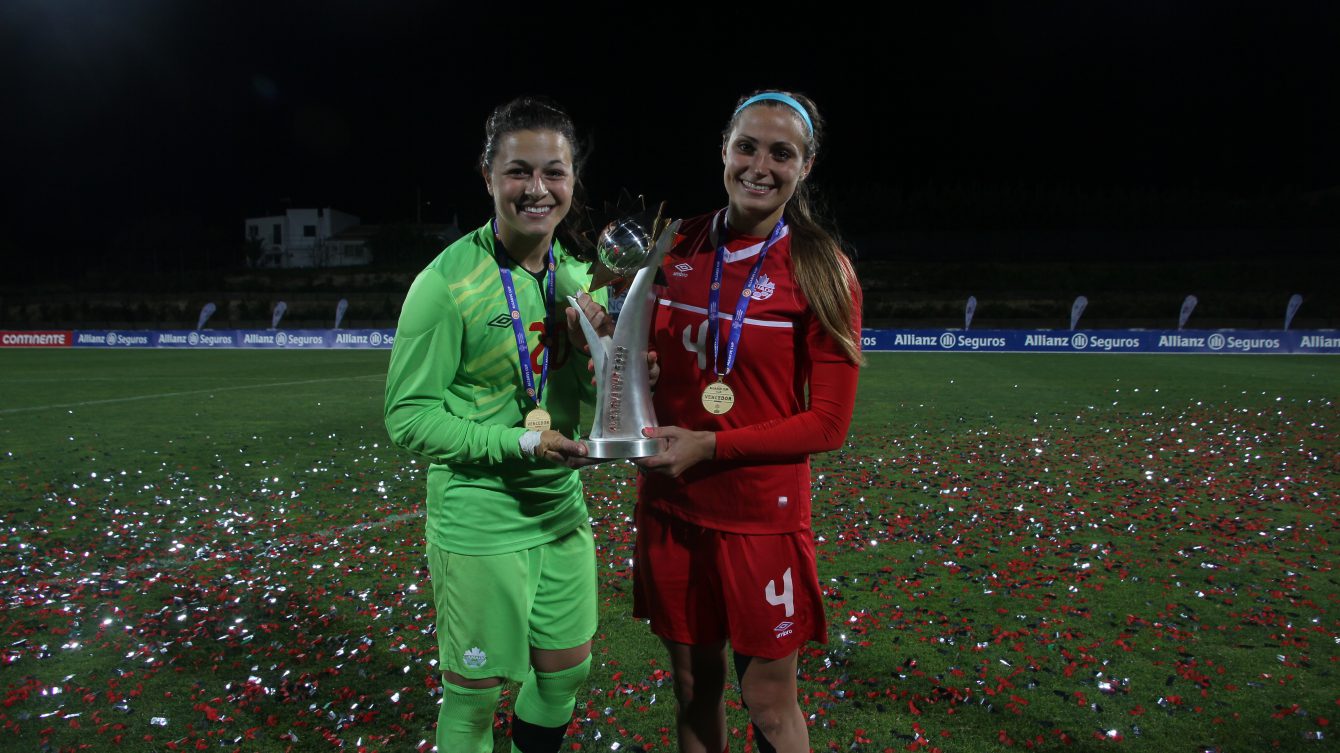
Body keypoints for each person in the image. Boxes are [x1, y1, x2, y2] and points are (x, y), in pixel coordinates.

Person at [634, 91, 864, 753]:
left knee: (768, 703)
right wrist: (630, 372)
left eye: (781, 153)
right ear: (725, 152)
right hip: (672, 504)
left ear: (806, 166)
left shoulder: (823, 269)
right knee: (692, 688)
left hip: (761, 516)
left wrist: (709, 443)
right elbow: (642, 355)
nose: (760, 165)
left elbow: (827, 424)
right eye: (747, 147)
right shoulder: (672, 244)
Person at [384, 97, 610, 753]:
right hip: (480, 512)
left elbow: (596, 387)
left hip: (559, 510)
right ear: (488, 177)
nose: (537, 189)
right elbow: (408, 416)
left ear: (572, 180)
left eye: (554, 172)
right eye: (518, 171)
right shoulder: (445, 283)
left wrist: (619, 374)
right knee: (475, 696)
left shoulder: (578, 279)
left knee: (568, 672)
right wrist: (519, 440)